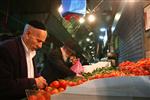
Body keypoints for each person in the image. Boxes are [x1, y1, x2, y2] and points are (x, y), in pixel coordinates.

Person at [0, 20, 48, 99]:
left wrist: (39, 79)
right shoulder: (7, 49)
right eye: (39, 41)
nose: (40, 46)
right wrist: (34, 82)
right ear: (28, 34)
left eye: (42, 42)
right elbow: (4, 85)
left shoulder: (30, 51)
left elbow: (28, 73)